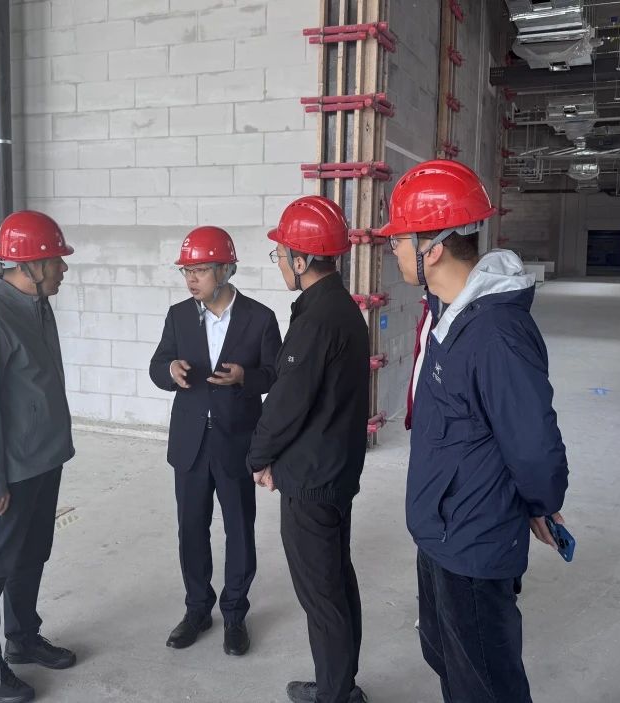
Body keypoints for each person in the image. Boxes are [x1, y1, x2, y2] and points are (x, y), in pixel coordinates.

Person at [377, 159, 570, 703]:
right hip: (441, 528)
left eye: (399, 240)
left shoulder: (496, 334)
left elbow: (533, 442)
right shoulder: (447, 310)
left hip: (474, 539)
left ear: (433, 249)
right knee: (446, 656)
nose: (393, 250)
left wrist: (541, 502)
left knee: (486, 684)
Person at [246, 196, 370, 703]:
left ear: (301, 261)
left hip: (313, 481)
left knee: (322, 596)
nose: (278, 262)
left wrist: (258, 458)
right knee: (336, 581)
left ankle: (334, 695)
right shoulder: (341, 308)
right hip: (335, 472)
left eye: (281, 254)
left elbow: (287, 402)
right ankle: (340, 684)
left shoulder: (317, 320)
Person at [0, 210, 78, 703]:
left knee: (32, 555)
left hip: (44, 460)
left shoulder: (36, 304)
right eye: (57, 261)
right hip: (11, 472)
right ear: (31, 265)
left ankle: (23, 638)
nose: (63, 269)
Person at [149, 226, 281, 657]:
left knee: (239, 529)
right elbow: (157, 365)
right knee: (191, 529)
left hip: (236, 441)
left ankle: (235, 614)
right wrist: (170, 371)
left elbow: (275, 376)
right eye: (186, 270)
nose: (191, 278)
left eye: (201, 270)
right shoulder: (178, 316)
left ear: (226, 270)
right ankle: (197, 610)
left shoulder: (259, 318)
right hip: (190, 443)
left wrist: (245, 378)